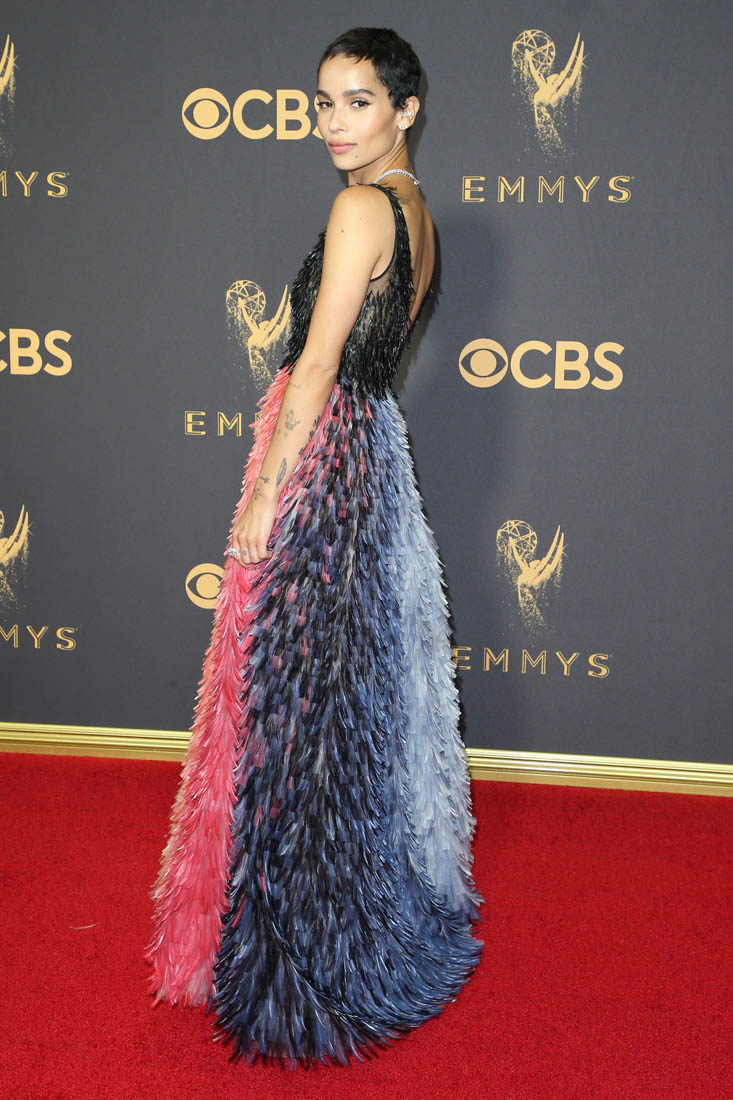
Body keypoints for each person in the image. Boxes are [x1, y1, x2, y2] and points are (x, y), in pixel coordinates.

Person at [144, 26, 484, 1070]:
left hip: (322, 466)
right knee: (339, 712)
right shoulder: (416, 213)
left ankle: (304, 960)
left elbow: (320, 362)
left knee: (293, 718)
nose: (333, 123)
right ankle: (343, 923)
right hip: (371, 459)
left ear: (406, 109)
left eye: (357, 101)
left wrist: (266, 496)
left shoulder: (358, 209)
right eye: (322, 103)